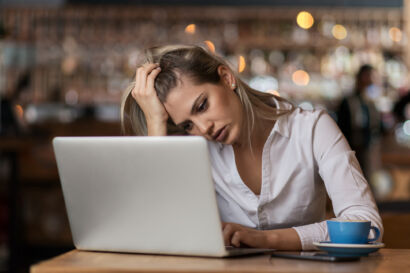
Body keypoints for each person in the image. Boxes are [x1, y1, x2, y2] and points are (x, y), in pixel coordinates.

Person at [121, 45, 383, 250]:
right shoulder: (194, 152)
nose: (204, 129)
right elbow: (155, 231)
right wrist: (156, 125)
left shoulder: (311, 129)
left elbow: (366, 224)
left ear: (226, 78)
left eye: (202, 106)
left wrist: (265, 240)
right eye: (188, 125)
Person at [337, 65, 382, 180]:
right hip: (351, 149)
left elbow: (376, 124)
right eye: (367, 76)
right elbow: (343, 126)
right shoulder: (348, 102)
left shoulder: (369, 102)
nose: (370, 80)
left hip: (367, 149)